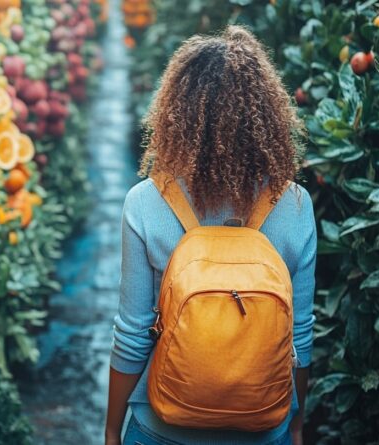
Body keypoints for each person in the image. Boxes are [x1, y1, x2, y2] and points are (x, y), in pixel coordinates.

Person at [105, 26, 316, 445]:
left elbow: (133, 333)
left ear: (175, 111)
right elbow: (300, 336)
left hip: (162, 424)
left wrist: (113, 428)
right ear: (267, 114)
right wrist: (295, 420)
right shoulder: (294, 205)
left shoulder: (145, 203)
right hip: (262, 423)